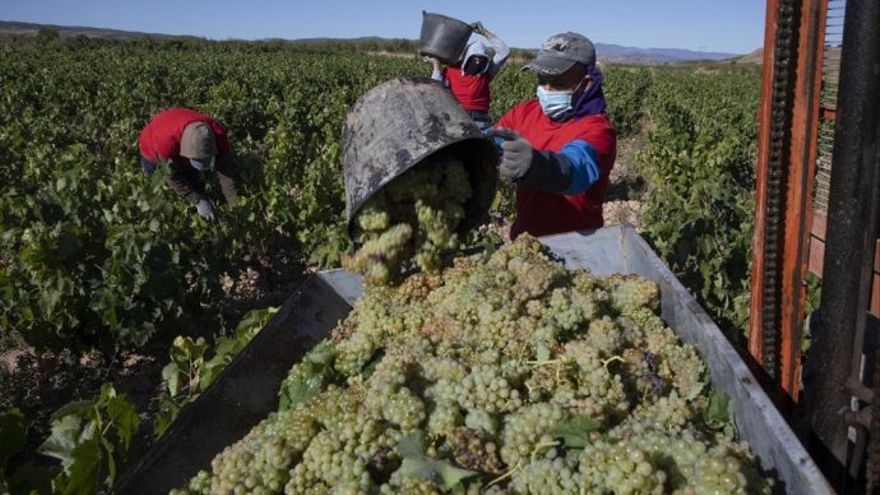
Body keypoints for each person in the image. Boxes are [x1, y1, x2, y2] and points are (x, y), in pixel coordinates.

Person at [489, 32, 617, 239]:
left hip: (577, 243)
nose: (546, 90)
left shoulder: (598, 130)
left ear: (585, 84)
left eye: (558, 82)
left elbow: (576, 167)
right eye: (542, 80)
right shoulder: (526, 111)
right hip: (527, 237)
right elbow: (491, 141)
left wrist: (538, 165)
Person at [138, 108, 238, 221]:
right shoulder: (166, 144)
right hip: (151, 149)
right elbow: (171, 177)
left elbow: (226, 171)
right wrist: (197, 201)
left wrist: (234, 204)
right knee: (164, 193)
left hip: (176, 134)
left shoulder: (217, 133)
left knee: (196, 185)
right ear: (185, 151)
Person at [429, 22, 509, 130]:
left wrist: (486, 33)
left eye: (481, 60)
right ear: (467, 58)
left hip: (480, 121)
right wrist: (436, 64)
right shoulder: (452, 70)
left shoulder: (485, 73)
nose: (477, 63)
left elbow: (504, 52)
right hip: (457, 117)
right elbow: (436, 86)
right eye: (474, 59)